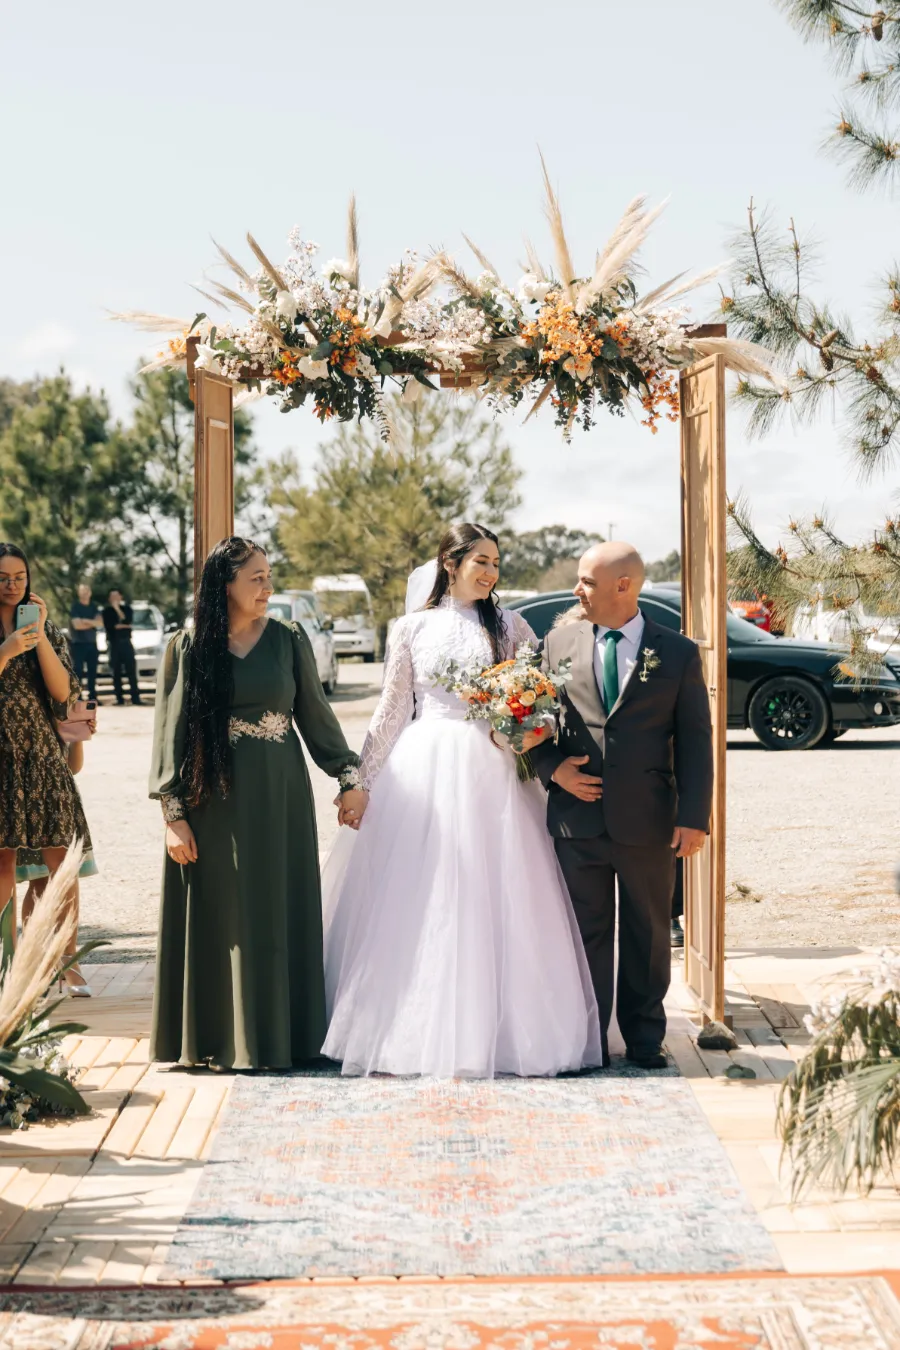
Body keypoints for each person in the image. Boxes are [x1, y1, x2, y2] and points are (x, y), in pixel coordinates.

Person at [321, 523, 603, 1078]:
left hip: (496, 770)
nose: (491, 571)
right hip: (424, 769)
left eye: (496, 562)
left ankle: (508, 1032)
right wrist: (360, 779)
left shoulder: (513, 624)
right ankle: (410, 1030)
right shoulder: (410, 628)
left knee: (501, 893)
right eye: (481, 560)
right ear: (450, 563)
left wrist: (520, 732)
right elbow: (392, 710)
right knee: (425, 898)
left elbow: (541, 706)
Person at [149, 536, 365, 1070]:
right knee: (225, 913)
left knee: (277, 910)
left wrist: (348, 775)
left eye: (269, 576)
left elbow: (315, 716)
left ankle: (285, 1039)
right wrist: (173, 816)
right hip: (212, 798)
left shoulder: (289, 639)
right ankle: (220, 1040)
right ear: (226, 585)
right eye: (257, 578)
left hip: (281, 799)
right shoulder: (190, 646)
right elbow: (168, 734)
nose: (268, 586)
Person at [530, 541, 713, 1069]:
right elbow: (532, 723)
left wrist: (693, 817)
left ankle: (643, 1036)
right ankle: (587, 1036)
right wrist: (552, 770)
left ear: (624, 586)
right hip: (577, 819)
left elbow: (696, 740)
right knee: (583, 933)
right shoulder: (557, 642)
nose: (576, 589)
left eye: (586, 580)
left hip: (650, 820)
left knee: (649, 932)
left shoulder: (676, 652)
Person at [0, 542, 93, 959]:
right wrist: (6, 650)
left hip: (41, 757)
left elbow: (64, 693)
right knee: (2, 866)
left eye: (19, 578)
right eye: (3, 579)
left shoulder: (45, 629)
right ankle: (7, 963)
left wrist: (37, 637)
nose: (12, 586)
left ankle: (65, 962)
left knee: (60, 863)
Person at [18, 714, 98, 996]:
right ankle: (33, 963)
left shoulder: (59, 694)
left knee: (64, 874)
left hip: (55, 795)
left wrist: (78, 736)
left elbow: (72, 767)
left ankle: (68, 960)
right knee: (39, 881)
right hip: (16, 791)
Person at [102, 588, 142, 706]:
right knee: (116, 672)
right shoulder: (106, 611)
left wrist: (118, 610)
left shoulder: (127, 609)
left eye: (116, 596)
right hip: (114, 644)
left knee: (131, 671)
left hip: (126, 643)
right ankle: (119, 698)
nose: (114, 599)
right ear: (109, 599)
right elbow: (110, 627)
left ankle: (135, 698)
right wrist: (121, 625)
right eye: (112, 597)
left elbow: (128, 621)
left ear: (121, 597)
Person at [69, 583, 102, 702]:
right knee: (78, 671)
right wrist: (92, 622)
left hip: (92, 643)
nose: (85, 593)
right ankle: (78, 697)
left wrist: (85, 620)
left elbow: (100, 623)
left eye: (87, 590)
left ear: (90, 592)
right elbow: (77, 625)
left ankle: (93, 696)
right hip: (78, 644)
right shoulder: (75, 607)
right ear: (79, 593)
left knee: (92, 671)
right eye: (82, 591)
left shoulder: (94, 607)